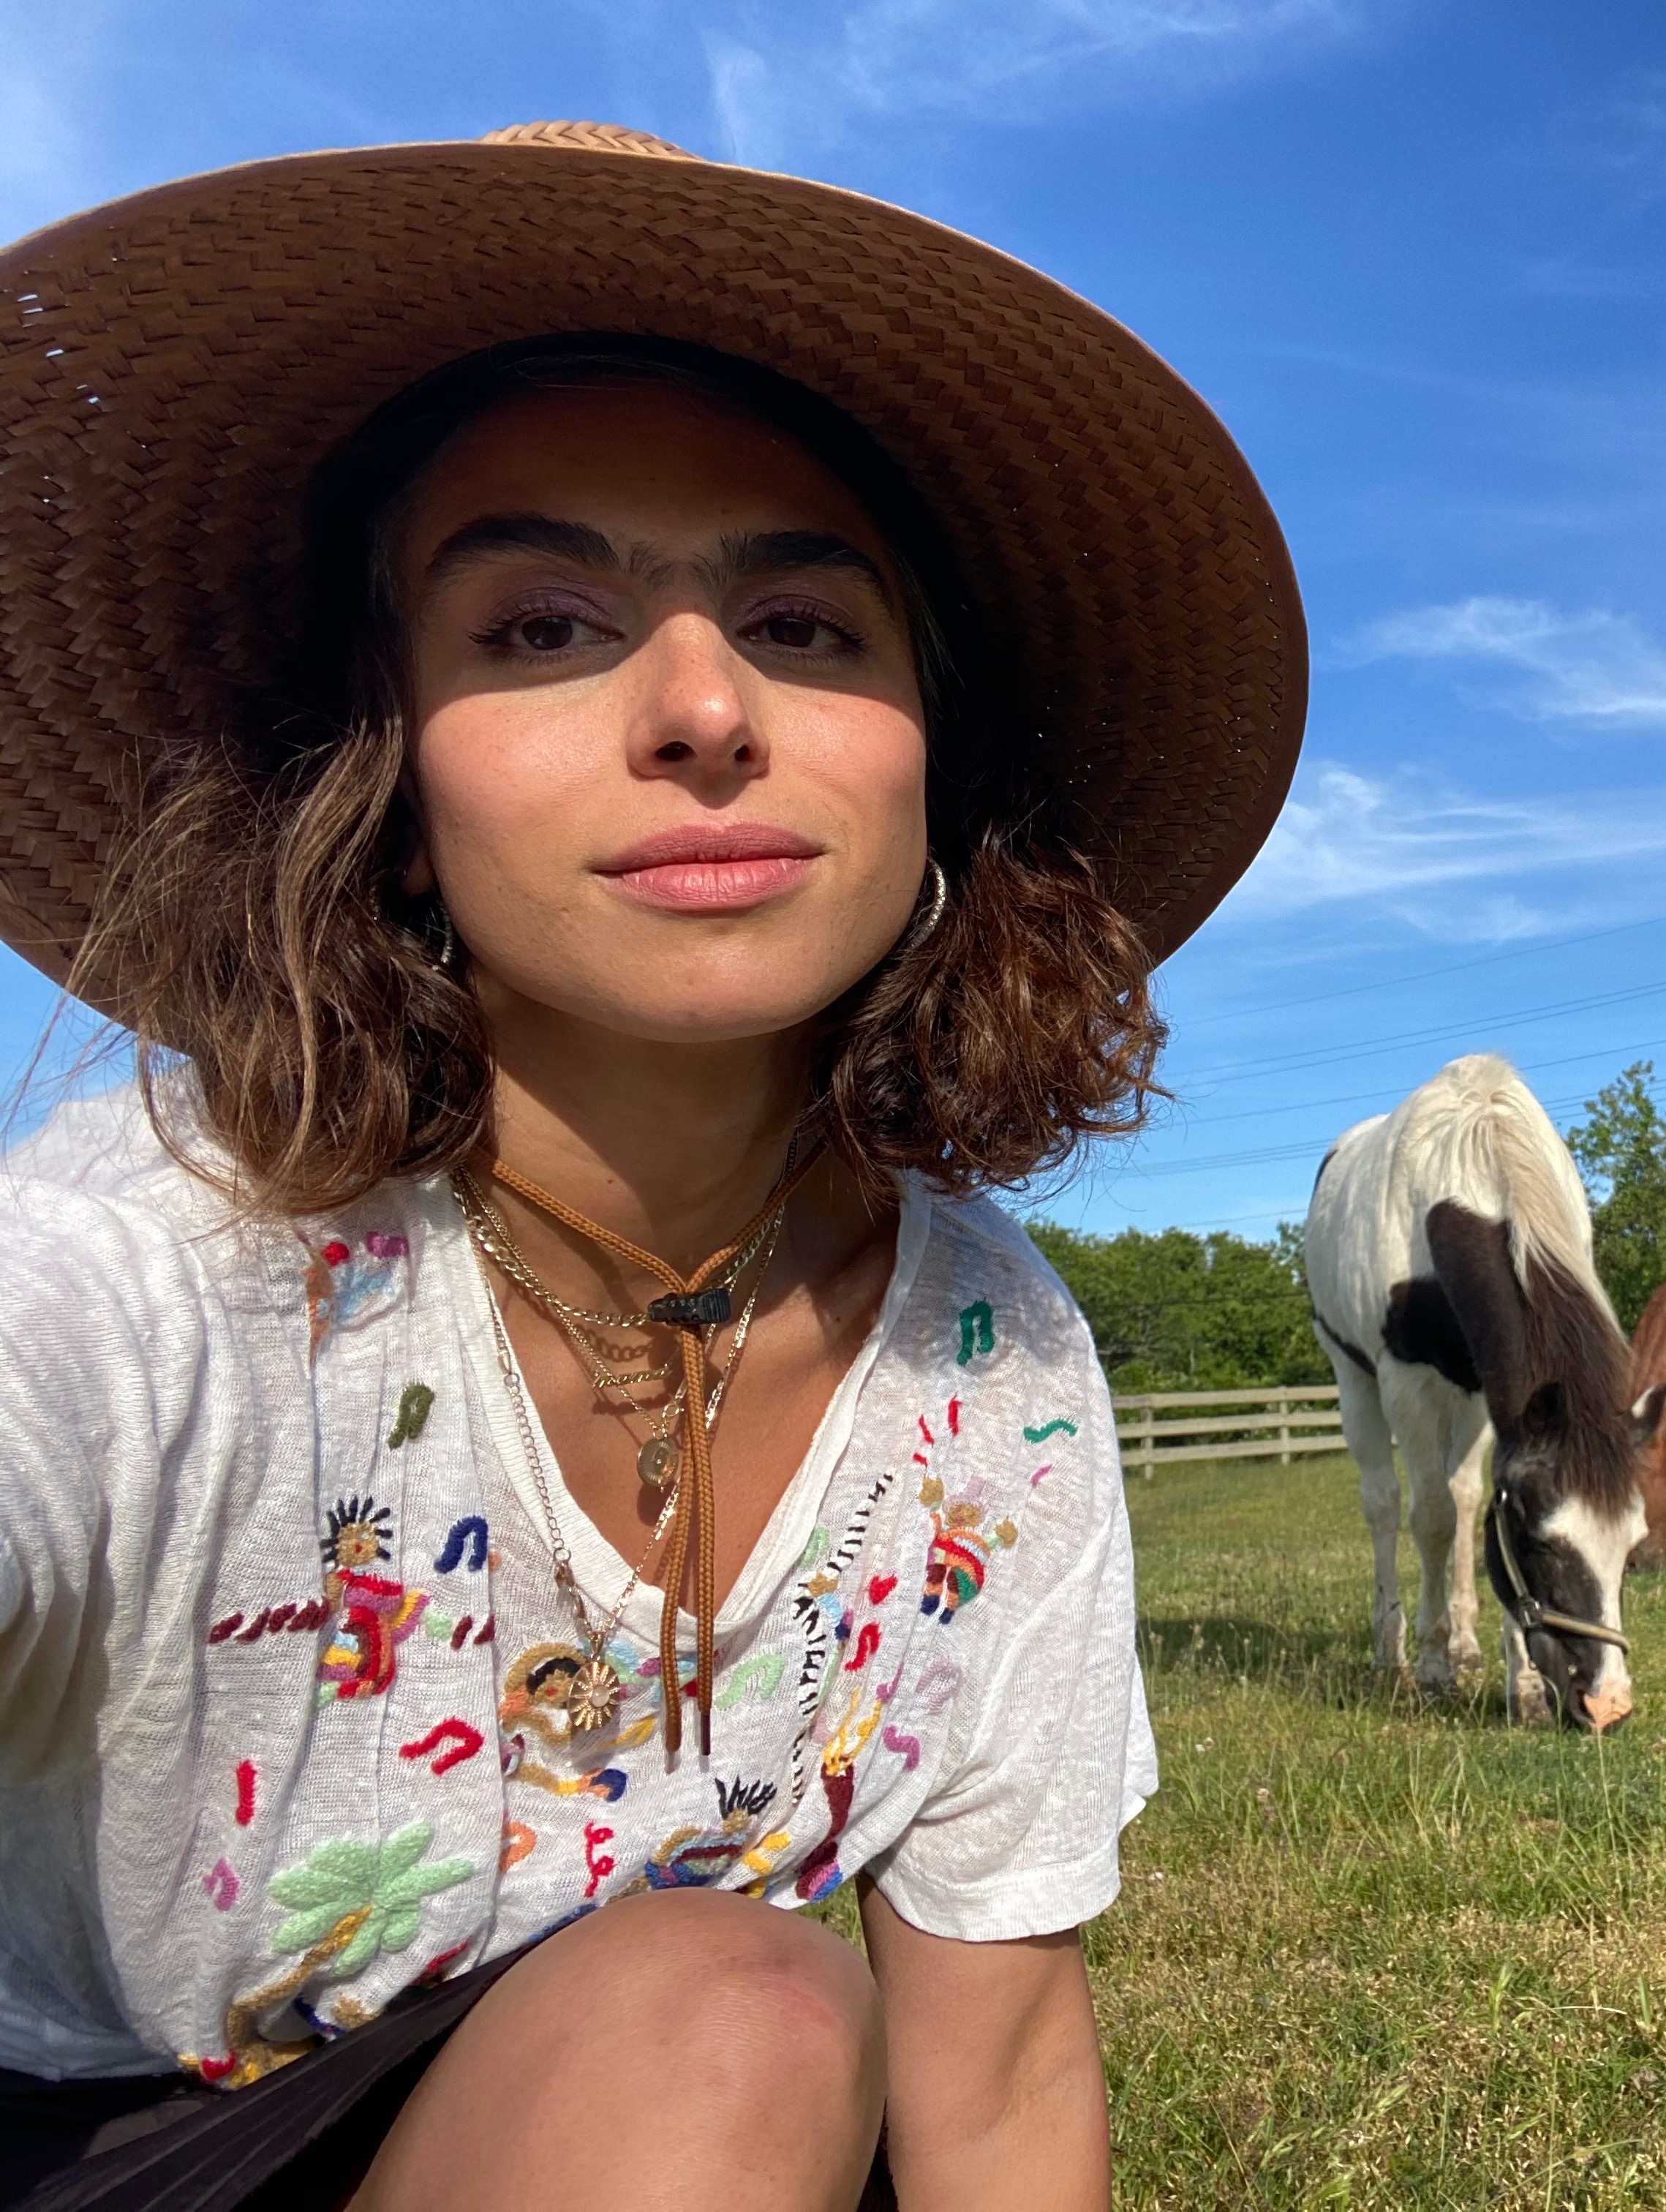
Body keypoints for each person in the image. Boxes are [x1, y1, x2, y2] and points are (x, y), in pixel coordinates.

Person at [0, 123, 1304, 2211]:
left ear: (931, 770)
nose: (705, 707)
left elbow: (998, 2076)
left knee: (734, 2012)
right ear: (391, 785)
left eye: (805, 621)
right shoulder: (139, 1272)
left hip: (656, 2132)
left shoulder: (992, 1360)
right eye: (537, 627)